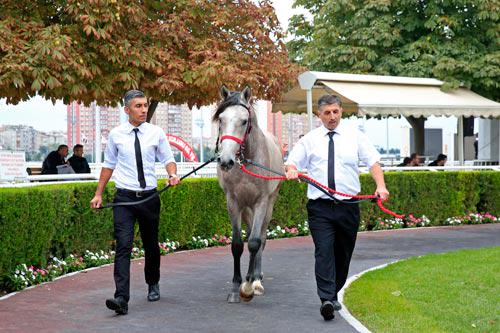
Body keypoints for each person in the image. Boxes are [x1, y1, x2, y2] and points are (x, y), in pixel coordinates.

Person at [285, 94, 389, 321]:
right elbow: (292, 161)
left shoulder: (355, 136)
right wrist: (292, 169)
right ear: (318, 115)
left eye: (335, 112)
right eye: (327, 113)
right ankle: (326, 300)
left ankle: (333, 293)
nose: (332, 117)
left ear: (341, 111)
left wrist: (380, 186)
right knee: (323, 251)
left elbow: (373, 161)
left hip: (348, 206)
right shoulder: (310, 140)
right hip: (320, 207)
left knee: (343, 253)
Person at [90, 90, 180, 315]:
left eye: (145, 105)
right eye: (138, 106)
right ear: (126, 110)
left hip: (149, 197)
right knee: (123, 246)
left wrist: (172, 174)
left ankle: (153, 282)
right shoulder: (116, 134)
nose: (143, 110)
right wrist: (99, 194)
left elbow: (168, 159)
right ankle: (121, 298)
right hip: (124, 199)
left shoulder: (156, 132)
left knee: (151, 244)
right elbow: (109, 165)